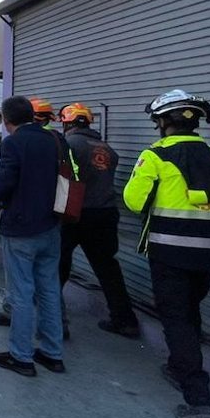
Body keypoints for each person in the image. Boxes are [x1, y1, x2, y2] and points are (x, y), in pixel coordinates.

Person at [124, 89, 210, 418]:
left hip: (168, 253)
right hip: (209, 255)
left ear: (163, 122)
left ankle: (199, 399)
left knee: (176, 318)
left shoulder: (154, 156)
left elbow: (135, 202)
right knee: (189, 312)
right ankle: (181, 366)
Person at [0, 95, 65, 378]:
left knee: (21, 294)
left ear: (7, 122)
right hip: (51, 226)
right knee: (49, 291)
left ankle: (21, 357)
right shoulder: (54, 140)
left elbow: (4, 183)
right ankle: (52, 353)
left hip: (21, 229)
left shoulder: (13, 143)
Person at [57, 103, 140, 338]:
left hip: (74, 214)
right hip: (105, 215)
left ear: (68, 123)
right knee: (108, 268)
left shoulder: (70, 145)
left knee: (58, 266)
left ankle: (54, 322)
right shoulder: (107, 149)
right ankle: (125, 320)